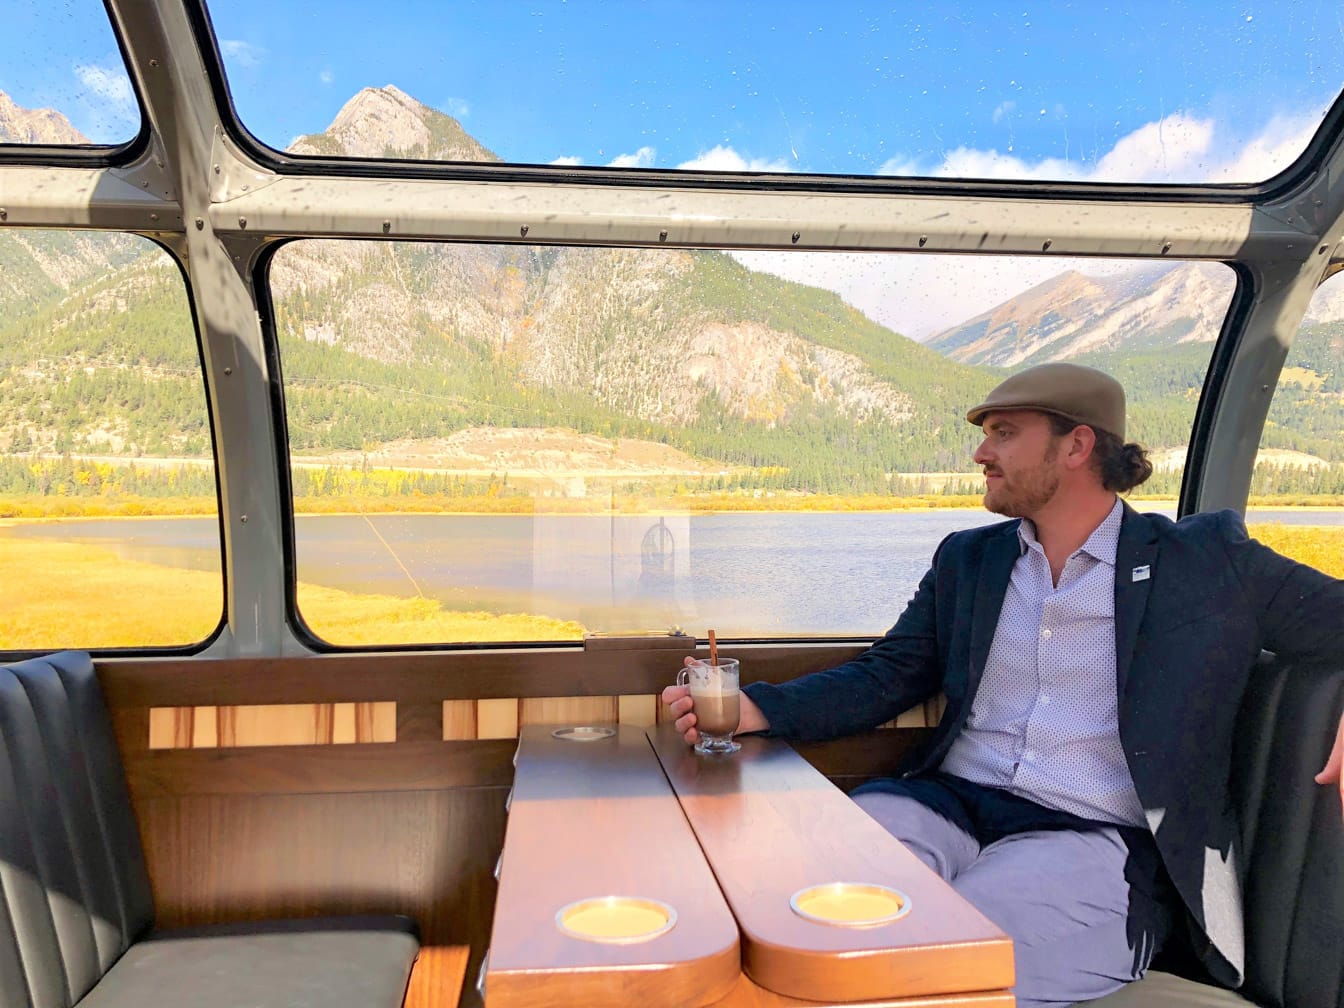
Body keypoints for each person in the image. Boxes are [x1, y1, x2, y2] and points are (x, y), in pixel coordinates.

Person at [661, 362, 1344, 1008]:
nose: (980, 455)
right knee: (811, 913)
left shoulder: (1204, 562)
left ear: (1077, 446)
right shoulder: (971, 561)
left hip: (1096, 841)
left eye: (1004, 433)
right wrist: (753, 709)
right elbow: (892, 671)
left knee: (947, 961)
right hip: (943, 806)